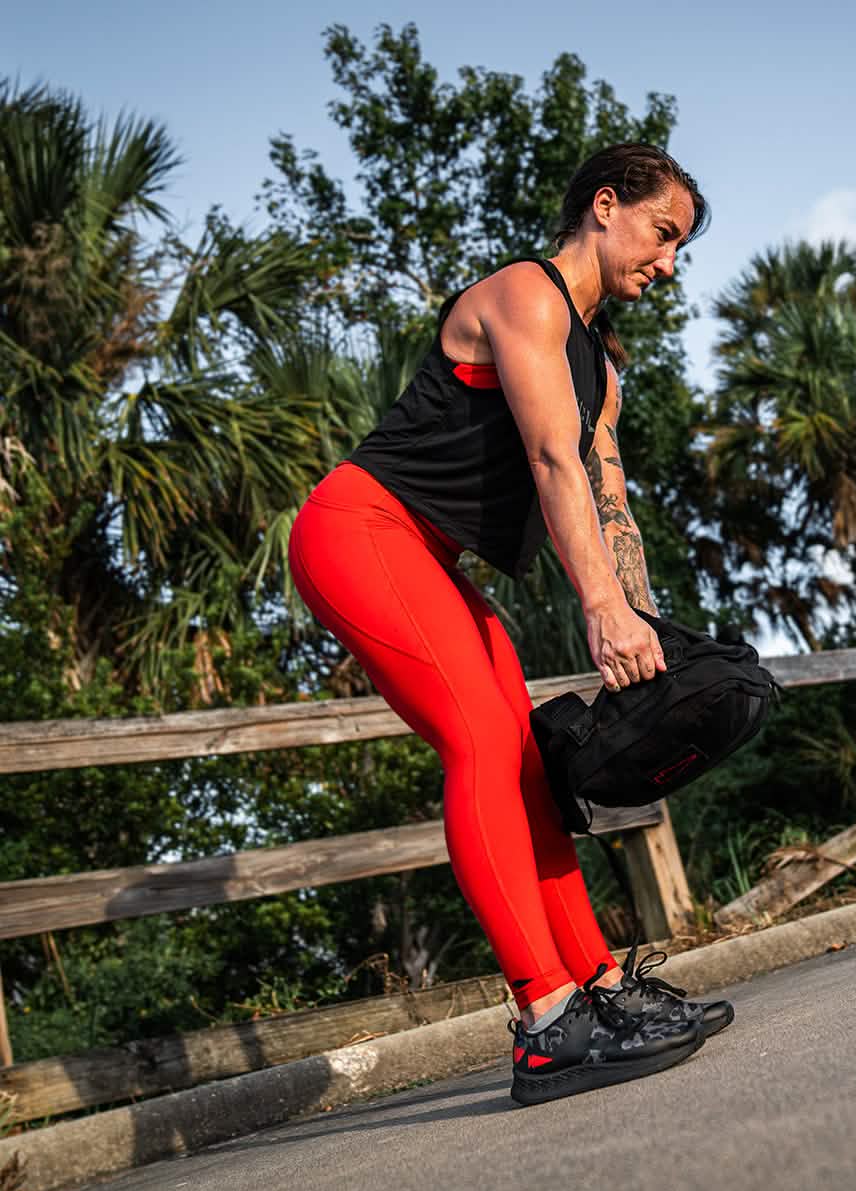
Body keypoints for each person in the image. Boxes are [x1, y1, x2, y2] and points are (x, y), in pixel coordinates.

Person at [288, 143, 732, 1106]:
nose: (667, 262)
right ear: (604, 207)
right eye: (662, 234)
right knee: (483, 740)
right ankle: (545, 1019)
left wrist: (646, 627)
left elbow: (608, 494)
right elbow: (550, 463)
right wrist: (599, 611)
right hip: (357, 530)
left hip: (424, 557)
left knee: (530, 760)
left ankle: (600, 988)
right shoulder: (524, 296)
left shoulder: (602, 365)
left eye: (680, 248)